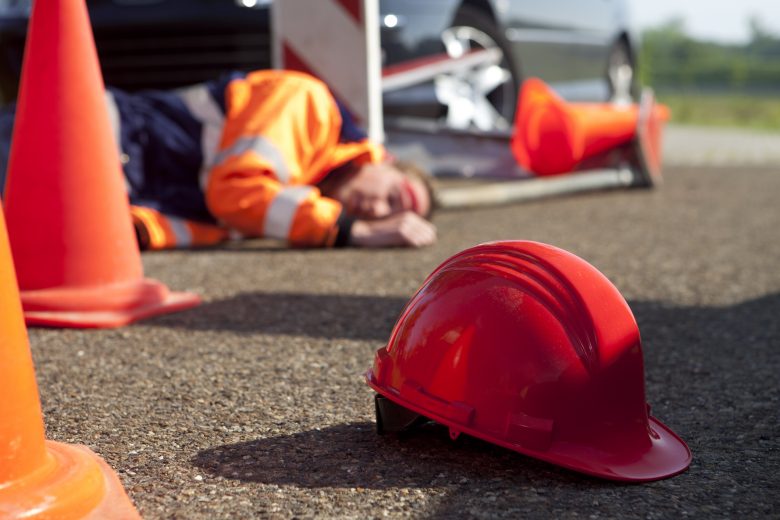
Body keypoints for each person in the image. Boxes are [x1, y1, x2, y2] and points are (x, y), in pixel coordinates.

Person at [0, 69, 436, 249]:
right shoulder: (310, 105)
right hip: (80, 138)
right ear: (386, 160)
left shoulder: (296, 198)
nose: (377, 210)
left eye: (387, 215)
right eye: (393, 195)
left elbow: (201, 221)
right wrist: (351, 231)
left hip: (94, 192)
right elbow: (234, 193)